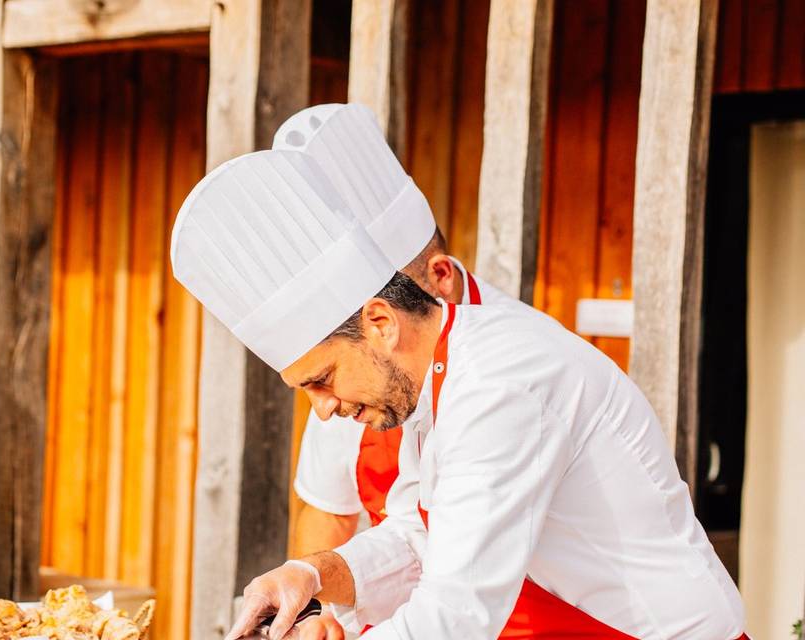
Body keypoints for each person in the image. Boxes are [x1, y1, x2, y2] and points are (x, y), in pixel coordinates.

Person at [170, 147, 747, 639]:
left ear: (380, 323)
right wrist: (313, 574)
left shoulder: (504, 383)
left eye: (321, 379)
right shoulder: (438, 376)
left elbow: (456, 616)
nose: (322, 409)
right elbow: (424, 537)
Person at [271, 105, 505, 562]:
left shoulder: (505, 364)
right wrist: (313, 607)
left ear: (439, 276)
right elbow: (328, 509)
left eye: (394, 300)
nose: (380, 327)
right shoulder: (353, 363)